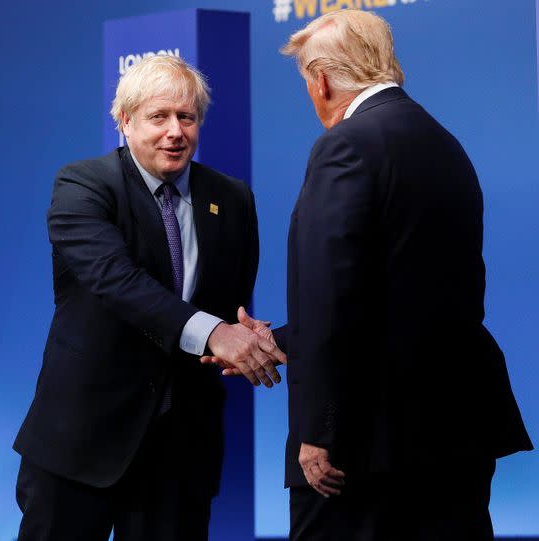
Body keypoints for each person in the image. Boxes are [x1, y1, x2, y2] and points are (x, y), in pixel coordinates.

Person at [219, 9, 533, 540]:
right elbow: (405, 297)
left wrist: (318, 432)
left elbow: (328, 293)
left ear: (321, 79)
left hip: (365, 445)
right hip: (455, 429)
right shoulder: (444, 142)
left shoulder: (345, 145)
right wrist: (278, 340)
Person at [13, 55, 285, 540]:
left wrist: (246, 334)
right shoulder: (84, 184)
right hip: (83, 441)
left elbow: (230, 304)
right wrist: (214, 333)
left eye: (187, 117)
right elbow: (115, 280)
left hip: (180, 449)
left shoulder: (233, 197)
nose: (174, 132)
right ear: (124, 121)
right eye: (158, 117)